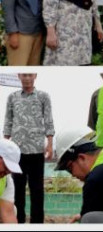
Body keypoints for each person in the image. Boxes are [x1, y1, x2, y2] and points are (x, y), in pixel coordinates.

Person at [3, 73, 55, 224]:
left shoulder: (43, 96)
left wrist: (50, 144)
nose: (26, 78)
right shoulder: (12, 97)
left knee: (37, 190)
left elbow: (48, 120)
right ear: (19, 76)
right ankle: (18, 221)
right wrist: (5, 147)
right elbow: (8, 121)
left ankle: (37, 222)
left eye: (29, 75)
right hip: (17, 152)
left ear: (35, 75)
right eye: (24, 75)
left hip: (37, 150)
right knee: (17, 190)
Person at [0, 139, 23, 223]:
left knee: (13, 209)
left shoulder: (7, 181)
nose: (5, 173)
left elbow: (8, 214)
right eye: (5, 167)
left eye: (9, 170)